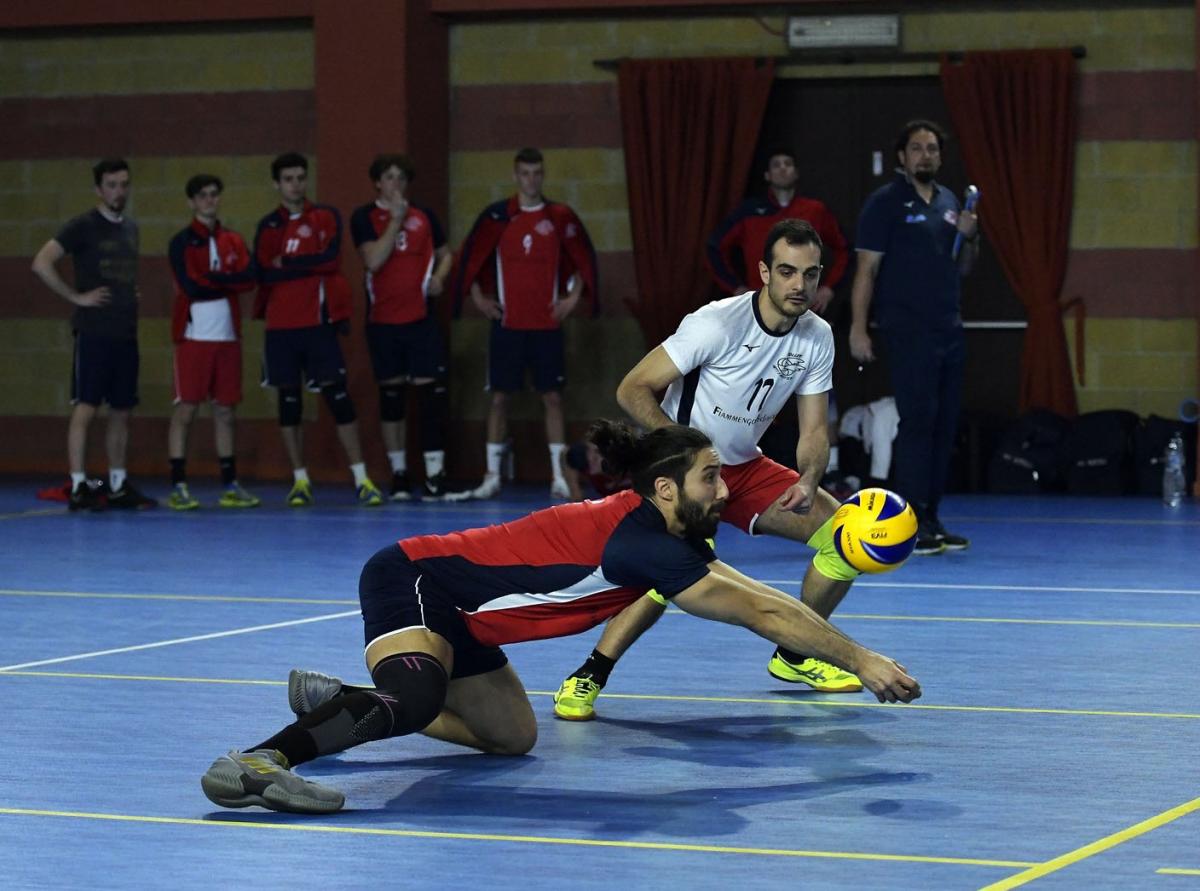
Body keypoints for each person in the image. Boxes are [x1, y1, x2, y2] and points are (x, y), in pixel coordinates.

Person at [199, 420, 921, 815]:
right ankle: (266, 756)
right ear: (665, 488)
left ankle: (350, 703)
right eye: (710, 475)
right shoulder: (641, 538)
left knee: (512, 735)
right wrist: (861, 660)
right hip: (414, 580)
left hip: (469, 622)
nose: (724, 485)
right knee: (419, 694)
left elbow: (757, 596)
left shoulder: (673, 534)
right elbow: (760, 609)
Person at [553, 219, 871, 722]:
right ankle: (589, 674)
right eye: (787, 272)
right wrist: (685, 452)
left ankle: (795, 655)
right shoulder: (717, 323)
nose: (798, 285)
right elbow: (632, 389)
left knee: (850, 537)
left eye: (810, 275)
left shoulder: (817, 336)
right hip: (683, 473)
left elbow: (813, 430)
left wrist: (809, 479)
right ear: (764, 272)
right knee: (664, 579)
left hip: (745, 468)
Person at [848, 120, 979, 555]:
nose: (926, 155)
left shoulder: (949, 201)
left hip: (949, 329)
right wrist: (858, 327)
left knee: (944, 426)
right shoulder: (884, 204)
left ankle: (932, 515)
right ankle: (908, 520)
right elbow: (866, 271)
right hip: (907, 329)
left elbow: (963, 266)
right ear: (902, 157)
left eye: (932, 149)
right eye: (917, 148)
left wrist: (968, 237)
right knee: (917, 423)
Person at [451, 147, 597, 501]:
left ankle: (559, 477)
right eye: (525, 173)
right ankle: (491, 476)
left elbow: (582, 261)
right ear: (515, 176)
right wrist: (479, 298)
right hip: (508, 326)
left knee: (552, 398)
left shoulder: (559, 216)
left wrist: (573, 298)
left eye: (537, 173)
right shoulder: (498, 216)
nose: (531, 180)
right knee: (499, 399)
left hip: (547, 326)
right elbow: (471, 258)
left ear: (542, 176)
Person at [253, 152, 383, 507]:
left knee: (339, 400)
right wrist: (305, 267)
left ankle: (362, 478)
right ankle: (300, 480)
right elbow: (264, 272)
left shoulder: (324, 216)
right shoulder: (268, 226)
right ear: (277, 184)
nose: (296, 184)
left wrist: (290, 263)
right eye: (289, 178)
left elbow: (331, 260)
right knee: (289, 403)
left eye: (300, 177)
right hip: (281, 327)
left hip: (318, 325)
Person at [31, 158, 156, 511]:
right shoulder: (82, 226)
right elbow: (41, 262)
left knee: (121, 410)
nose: (119, 191)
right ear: (99, 190)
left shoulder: (131, 227)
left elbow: (119, 272)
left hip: (125, 331)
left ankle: (116, 483)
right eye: (112, 185)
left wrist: (129, 293)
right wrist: (76, 297)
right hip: (94, 332)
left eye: (124, 184)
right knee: (86, 407)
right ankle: (78, 485)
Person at [350, 154, 466, 502]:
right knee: (392, 399)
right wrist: (395, 220)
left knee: (431, 398)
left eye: (401, 177)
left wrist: (439, 278)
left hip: (420, 320)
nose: (396, 184)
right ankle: (399, 473)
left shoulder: (425, 217)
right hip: (383, 323)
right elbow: (373, 260)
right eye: (389, 178)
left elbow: (447, 253)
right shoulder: (364, 217)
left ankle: (434, 474)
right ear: (377, 183)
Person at [165, 174, 260, 510]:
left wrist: (216, 280)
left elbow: (249, 278)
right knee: (187, 409)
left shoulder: (232, 238)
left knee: (225, 411)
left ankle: (230, 484)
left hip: (228, 336)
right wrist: (226, 281)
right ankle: (179, 484)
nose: (209, 200)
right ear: (192, 201)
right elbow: (191, 287)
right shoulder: (182, 242)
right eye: (203, 196)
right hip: (195, 337)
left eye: (214, 195)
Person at [706, 148, 849, 317]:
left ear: (796, 173)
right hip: (759, 307)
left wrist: (829, 288)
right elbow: (714, 247)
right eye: (776, 165)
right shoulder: (748, 212)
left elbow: (844, 249)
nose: (782, 168)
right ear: (767, 175)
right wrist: (736, 287)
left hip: (804, 308)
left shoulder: (815, 210)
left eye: (787, 164)